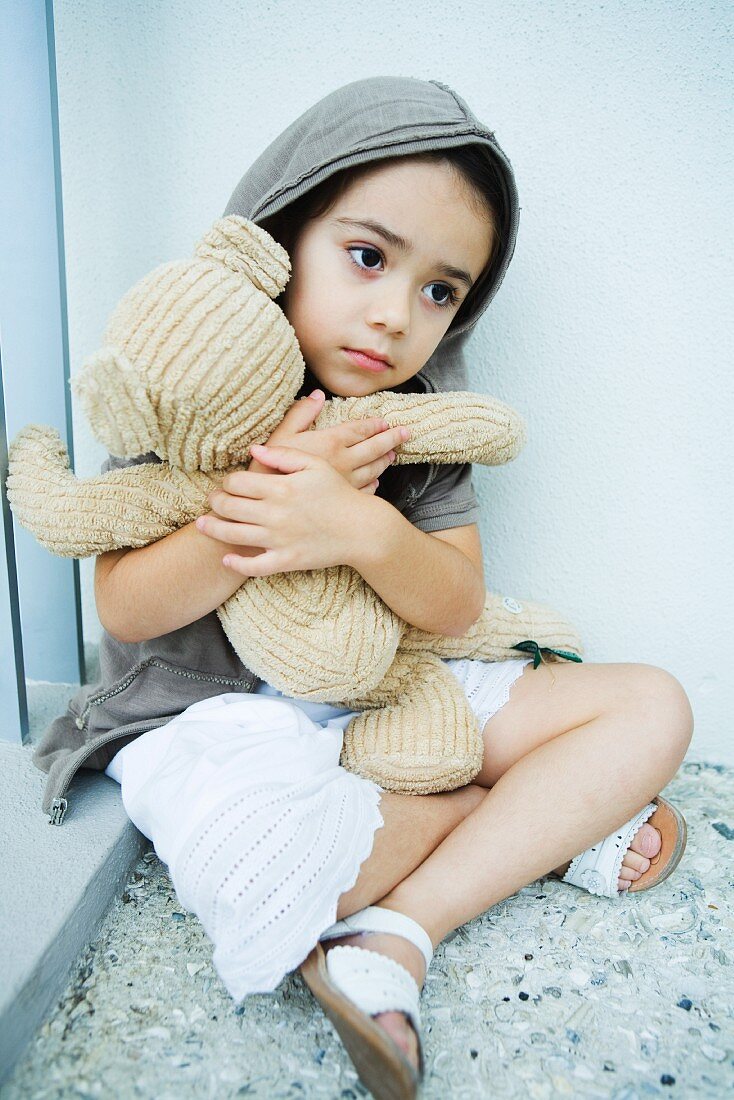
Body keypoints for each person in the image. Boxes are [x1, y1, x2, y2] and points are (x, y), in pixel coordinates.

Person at [35, 77, 693, 1098]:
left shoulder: (415, 419)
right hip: (210, 714)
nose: (394, 315)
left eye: (439, 290)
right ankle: (514, 820)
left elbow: (456, 606)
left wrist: (362, 529)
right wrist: (257, 509)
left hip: (387, 691)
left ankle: (401, 925)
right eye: (367, 256)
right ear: (282, 235)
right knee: (259, 877)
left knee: (649, 703)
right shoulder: (196, 371)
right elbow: (124, 609)